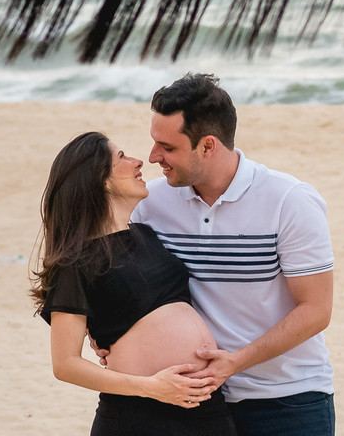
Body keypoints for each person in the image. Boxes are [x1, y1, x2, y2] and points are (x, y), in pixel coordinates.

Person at [130, 72, 336, 436]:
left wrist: (236, 363)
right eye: (154, 143)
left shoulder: (290, 201)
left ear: (208, 145)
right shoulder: (151, 204)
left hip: (287, 399)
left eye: (168, 147)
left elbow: (316, 311)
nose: (153, 157)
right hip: (194, 402)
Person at [31, 131, 239, 435]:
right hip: (139, 415)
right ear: (99, 179)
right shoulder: (74, 263)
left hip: (205, 408)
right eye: (121, 157)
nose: (138, 161)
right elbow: (65, 364)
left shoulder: (149, 235)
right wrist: (152, 387)